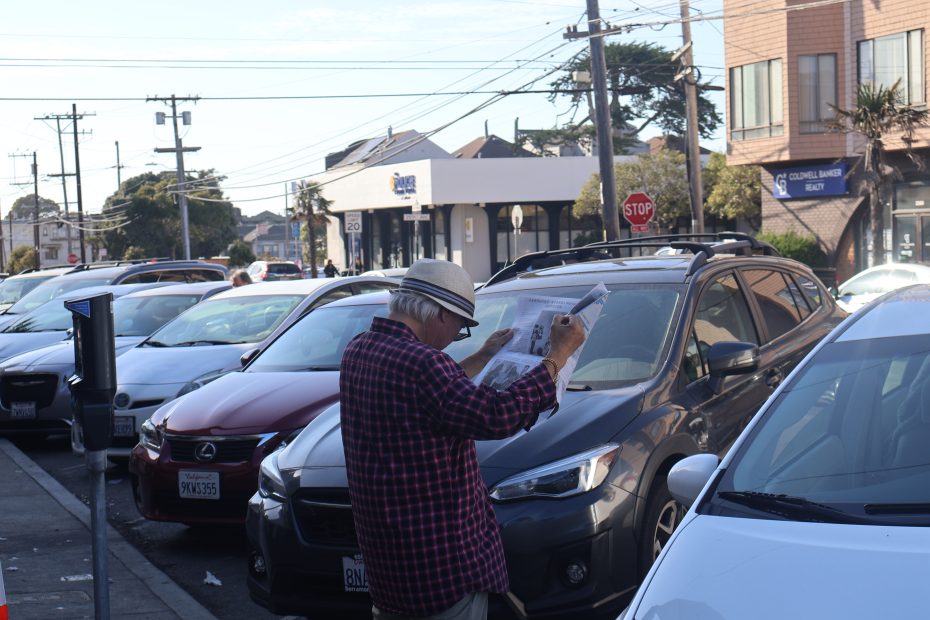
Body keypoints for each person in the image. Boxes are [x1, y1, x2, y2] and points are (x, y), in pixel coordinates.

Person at [340, 258, 586, 620]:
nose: (455, 335)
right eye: (459, 327)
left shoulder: (360, 350)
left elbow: (428, 397)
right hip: (440, 569)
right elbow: (496, 416)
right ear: (440, 314)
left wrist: (483, 356)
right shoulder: (423, 363)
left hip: (388, 567)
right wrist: (556, 358)